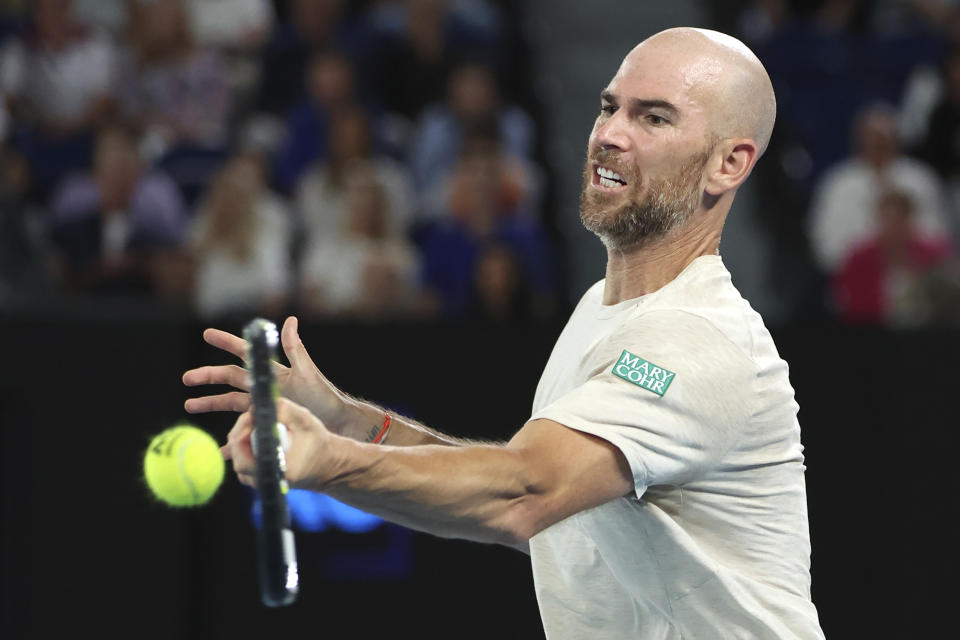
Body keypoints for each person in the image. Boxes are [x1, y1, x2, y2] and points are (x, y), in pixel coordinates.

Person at [183, 27, 825, 639]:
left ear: (728, 164)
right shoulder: (600, 308)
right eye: (609, 108)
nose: (610, 135)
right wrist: (349, 424)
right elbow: (541, 515)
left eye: (654, 118)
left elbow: (526, 491)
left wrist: (330, 463)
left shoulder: (694, 339)